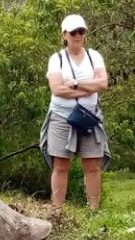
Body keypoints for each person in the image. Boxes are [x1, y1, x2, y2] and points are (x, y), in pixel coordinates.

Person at [41, 15, 109, 210]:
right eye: (73, 32)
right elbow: (57, 89)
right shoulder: (57, 59)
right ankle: (57, 210)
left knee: (92, 166)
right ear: (64, 35)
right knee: (61, 165)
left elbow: (103, 83)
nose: (78, 36)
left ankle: (94, 210)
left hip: (89, 116)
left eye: (81, 31)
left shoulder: (93, 56)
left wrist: (77, 84)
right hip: (62, 116)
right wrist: (89, 88)